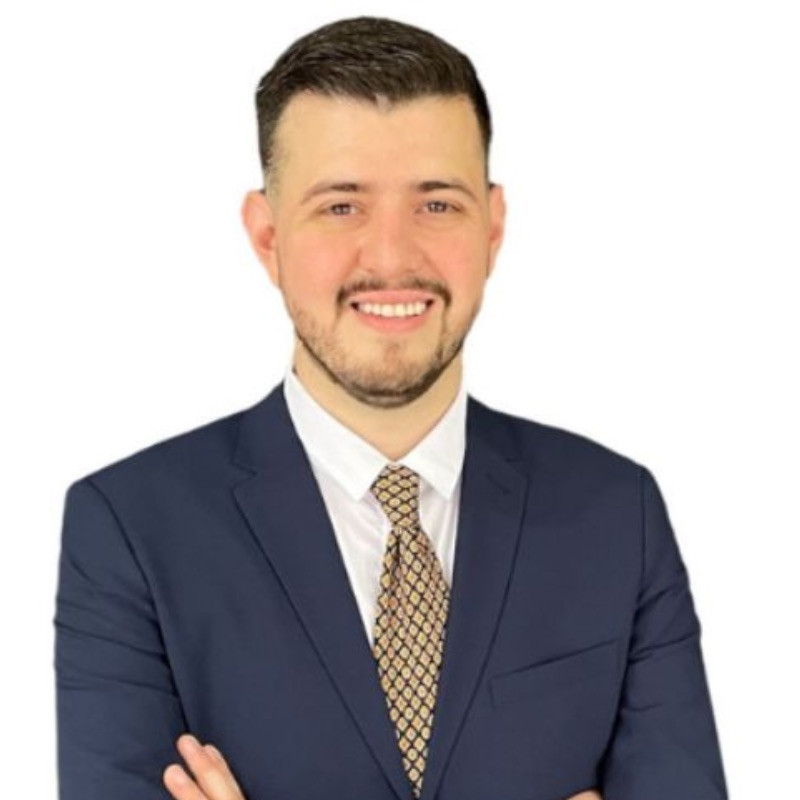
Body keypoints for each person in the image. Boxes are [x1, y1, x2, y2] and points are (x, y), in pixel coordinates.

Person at [53, 15, 728, 800]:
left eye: (436, 205)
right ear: (268, 237)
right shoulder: (129, 529)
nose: (392, 257)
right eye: (341, 207)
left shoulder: (617, 513)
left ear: (493, 228)